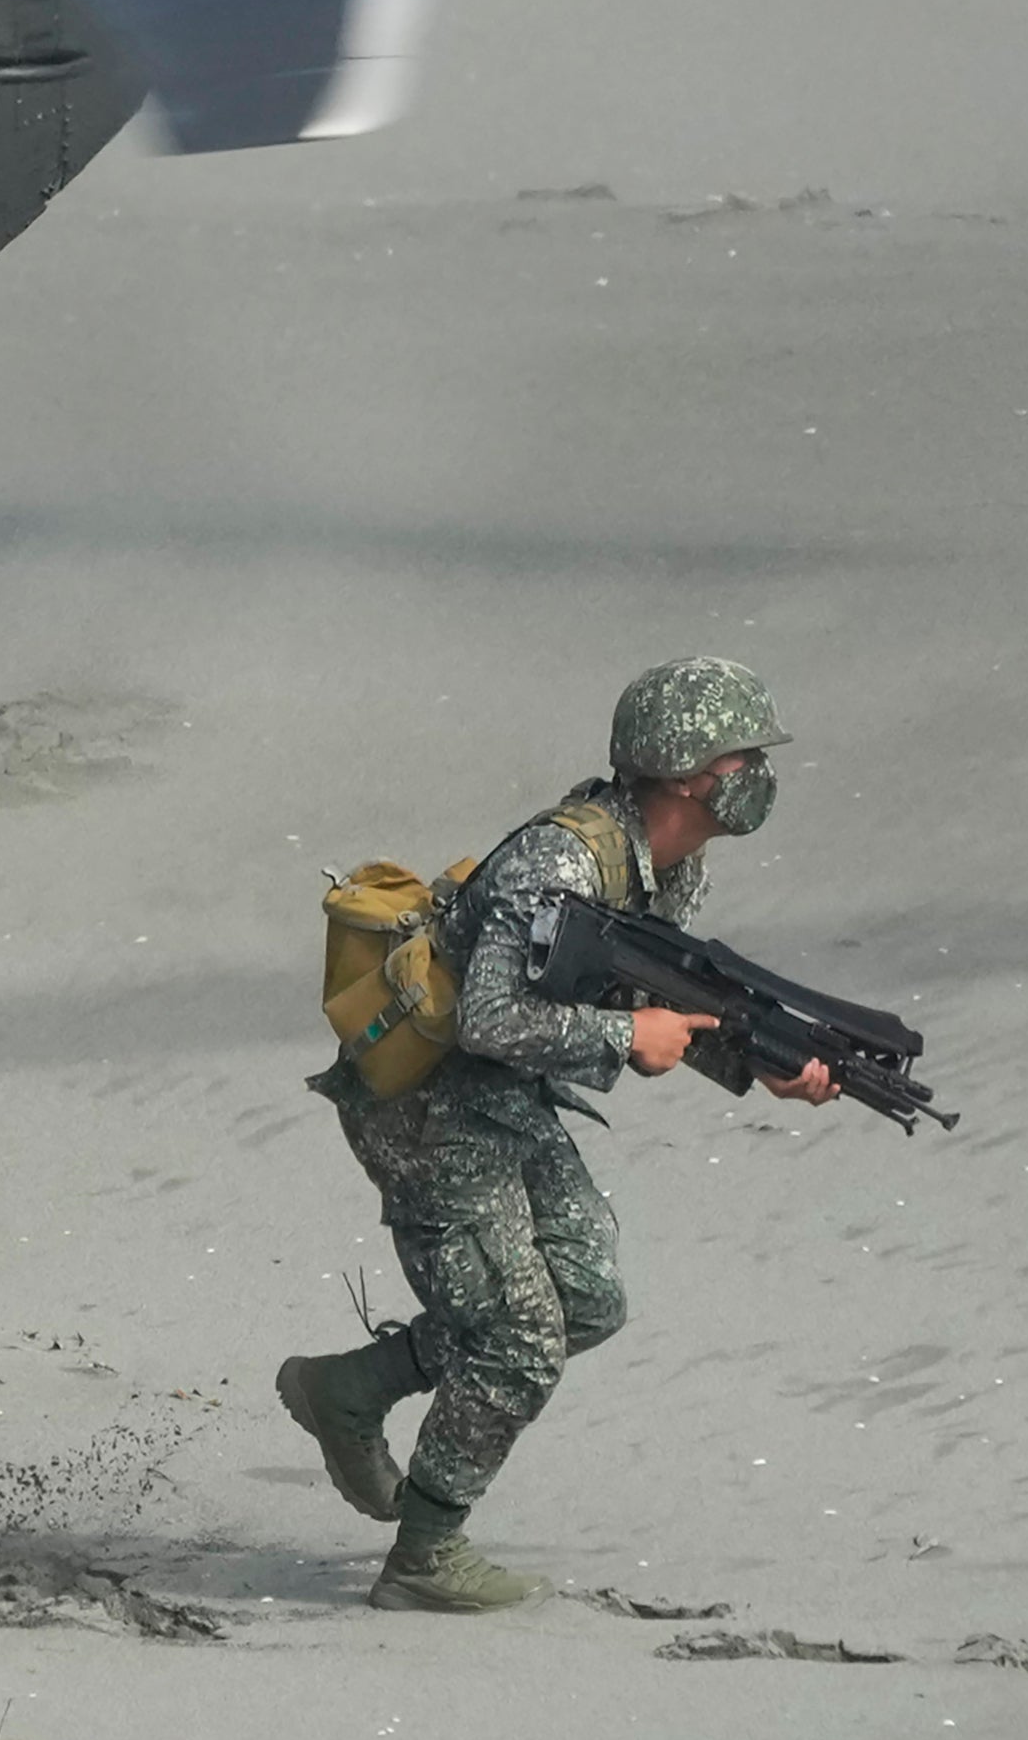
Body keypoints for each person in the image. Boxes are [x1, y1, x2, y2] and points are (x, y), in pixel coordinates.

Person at [279, 655, 842, 1611]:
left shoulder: (668, 866)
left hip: (500, 1099)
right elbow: (489, 1015)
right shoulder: (563, 859)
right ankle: (424, 1554)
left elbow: (648, 996)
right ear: (680, 769)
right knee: (520, 1339)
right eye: (739, 759)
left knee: (587, 1294)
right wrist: (628, 1036)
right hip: (427, 1111)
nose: (754, 777)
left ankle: (354, 1387)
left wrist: (761, 1068)